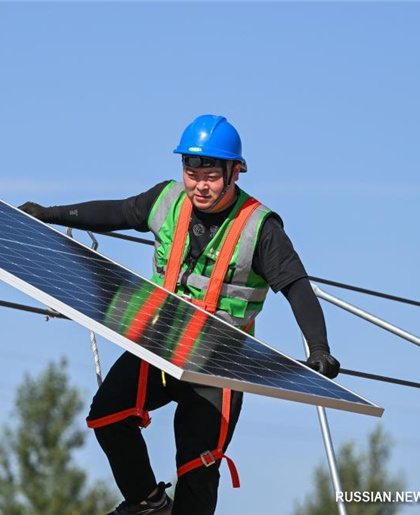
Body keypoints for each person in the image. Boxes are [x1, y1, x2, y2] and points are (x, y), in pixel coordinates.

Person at [19, 115, 340, 515]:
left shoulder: (262, 228)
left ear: (234, 171)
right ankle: (149, 504)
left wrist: (320, 349)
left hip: (218, 365)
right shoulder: (166, 200)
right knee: (106, 416)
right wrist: (48, 214)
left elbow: (297, 288)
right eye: (191, 172)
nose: (199, 185)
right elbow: (116, 212)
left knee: (197, 469)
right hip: (160, 345)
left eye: (211, 175)